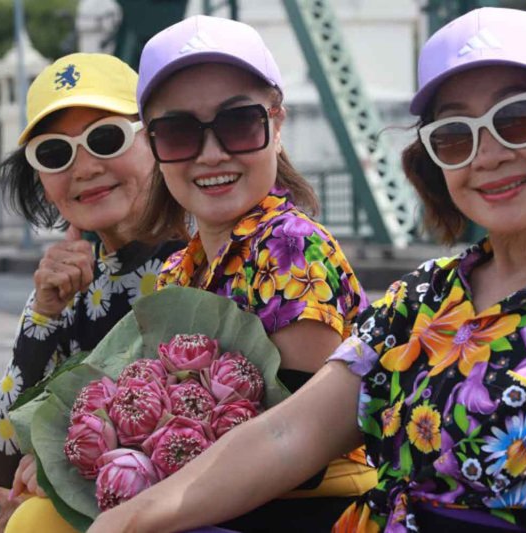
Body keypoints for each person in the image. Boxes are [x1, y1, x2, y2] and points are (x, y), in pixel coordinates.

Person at [88, 7, 526, 533]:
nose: (489, 153)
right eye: (454, 136)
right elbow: (285, 434)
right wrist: (123, 523)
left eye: (517, 119)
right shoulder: (421, 299)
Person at [137, 15, 376, 531]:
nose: (212, 154)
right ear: (153, 147)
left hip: (303, 508)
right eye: (179, 133)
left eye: (238, 123)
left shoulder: (291, 246)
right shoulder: (179, 268)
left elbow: (304, 451)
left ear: (277, 124)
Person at [0, 52, 184, 531]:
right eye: (55, 153)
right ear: (43, 182)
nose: (84, 168)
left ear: (154, 141)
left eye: (105, 139)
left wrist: (60, 469)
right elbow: (2, 457)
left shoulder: (197, 260)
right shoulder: (67, 282)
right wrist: (43, 315)